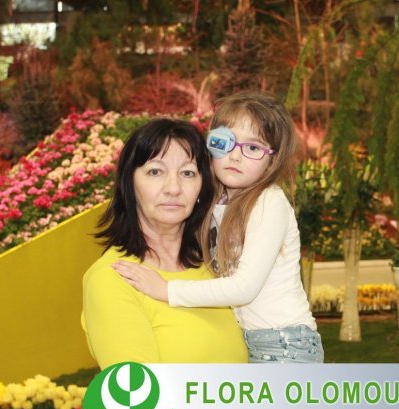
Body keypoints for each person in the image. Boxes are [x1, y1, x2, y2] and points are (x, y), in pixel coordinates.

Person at [113, 92, 324, 363]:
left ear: (272, 160)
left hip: (285, 345)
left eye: (253, 148)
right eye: (224, 142)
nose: (235, 156)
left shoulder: (268, 202)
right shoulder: (217, 202)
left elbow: (244, 288)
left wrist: (167, 290)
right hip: (254, 342)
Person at [81, 118, 248, 368]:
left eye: (187, 173)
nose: (173, 188)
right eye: (155, 172)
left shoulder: (215, 268)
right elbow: (136, 391)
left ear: (202, 187)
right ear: (129, 184)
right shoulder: (112, 279)